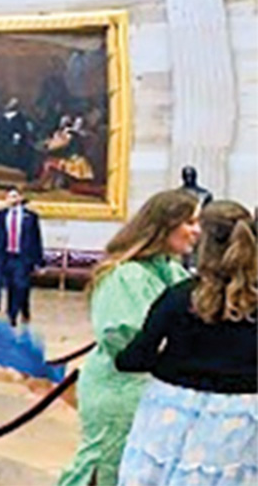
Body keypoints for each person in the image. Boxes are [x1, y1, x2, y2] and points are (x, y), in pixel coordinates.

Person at [58, 189, 201, 486]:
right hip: (119, 390)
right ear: (164, 225)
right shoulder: (126, 275)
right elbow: (123, 338)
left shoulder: (171, 270)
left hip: (151, 389)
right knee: (106, 464)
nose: (196, 231)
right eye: (189, 222)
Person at [116, 200, 257, 485]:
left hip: (172, 408)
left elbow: (134, 358)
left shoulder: (179, 297)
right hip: (243, 417)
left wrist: (170, 362)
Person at [0, 188, 44, 326]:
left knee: (21, 285)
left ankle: (23, 309)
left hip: (23, 257)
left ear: (20, 197)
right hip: (7, 256)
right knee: (11, 286)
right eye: (9, 196)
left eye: (15, 196)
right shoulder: (1, 215)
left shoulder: (30, 217)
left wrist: (39, 262)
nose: (12, 199)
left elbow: (36, 239)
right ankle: (12, 314)